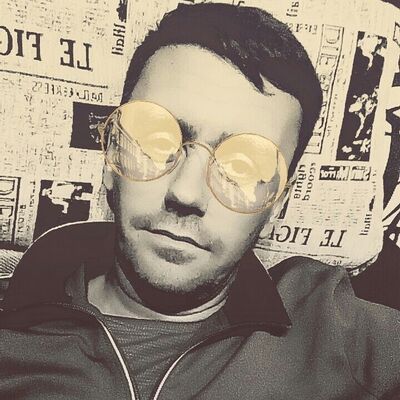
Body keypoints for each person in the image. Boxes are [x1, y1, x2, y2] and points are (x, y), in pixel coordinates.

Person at [0, 3, 399, 399]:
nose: (185, 193)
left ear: (277, 201)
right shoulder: (11, 340)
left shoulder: (336, 330)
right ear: (111, 156)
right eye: (156, 142)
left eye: (242, 166)